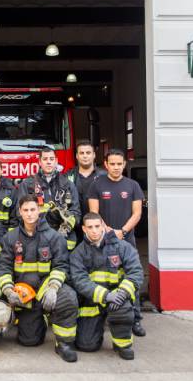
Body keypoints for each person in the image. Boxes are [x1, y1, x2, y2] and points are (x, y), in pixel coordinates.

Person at [0, 195, 79, 362]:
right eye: (25, 210)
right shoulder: (10, 238)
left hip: (46, 288)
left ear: (39, 211)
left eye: (33, 209)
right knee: (29, 341)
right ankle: (41, 318)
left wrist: (54, 288)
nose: (29, 214)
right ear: (19, 212)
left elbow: (61, 266)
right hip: (25, 293)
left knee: (68, 298)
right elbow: (4, 268)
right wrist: (7, 289)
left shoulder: (54, 237)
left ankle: (64, 344)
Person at [87, 148, 146, 337]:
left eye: (119, 164)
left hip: (127, 240)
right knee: (103, 277)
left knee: (131, 278)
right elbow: (94, 214)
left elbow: (137, 213)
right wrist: (109, 231)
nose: (116, 167)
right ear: (105, 164)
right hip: (103, 240)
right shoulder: (96, 185)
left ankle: (135, 319)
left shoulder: (133, 185)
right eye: (112, 164)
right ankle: (105, 315)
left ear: (124, 164)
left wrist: (123, 231)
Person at [69, 212, 143, 360]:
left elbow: (136, 272)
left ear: (103, 226)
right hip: (93, 301)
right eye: (90, 227)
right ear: (84, 229)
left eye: (97, 226)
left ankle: (122, 345)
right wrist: (105, 296)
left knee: (122, 308)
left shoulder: (123, 247)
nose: (95, 230)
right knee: (86, 345)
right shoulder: (78, 253)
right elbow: (79, 281)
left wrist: (122, 293)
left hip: (118, 298)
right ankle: (95, 331)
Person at [16, 148, 81, 251]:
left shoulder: (68, 185)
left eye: (51, 159)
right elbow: (19, 213)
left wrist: (65, 229)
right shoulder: (27, 184)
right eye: (45, 159)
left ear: (56, 161)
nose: (49, 162)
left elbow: (76, 212)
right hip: (36, 238)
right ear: (39, 162)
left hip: (64, 240)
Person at [64, 140, 106, 244]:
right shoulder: (67, 177)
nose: (85, 156)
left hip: (97, 228)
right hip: (75, 229)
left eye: (88, 153)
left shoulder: (104, 176)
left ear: (94, 155)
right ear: (77, 156)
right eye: (81, 153)